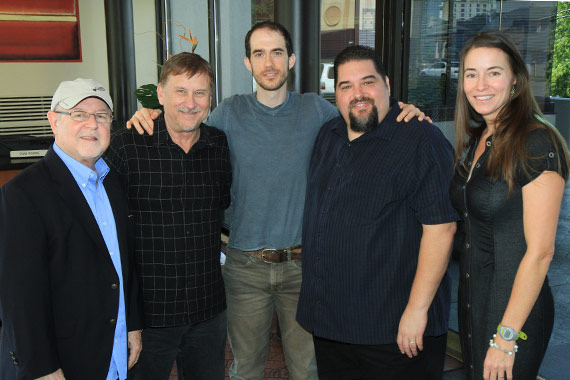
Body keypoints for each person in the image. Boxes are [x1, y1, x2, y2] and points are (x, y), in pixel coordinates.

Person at [127, 21, 426, 380]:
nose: (269, 62)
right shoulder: (227, 113)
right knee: (245, 369)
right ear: (247, 63)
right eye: (259, 53)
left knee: (307, 369)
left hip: (305, 267)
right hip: (244, 267)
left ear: (292, 59)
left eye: (277, 53)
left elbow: (364, 117)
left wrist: (402, 111)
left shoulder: (316, 111)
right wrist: (151, 114)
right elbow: (185, 120)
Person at [296, 45, 458, 380]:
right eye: (346, 86)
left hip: (394, 332)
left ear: (386, 84)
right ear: (335, 93)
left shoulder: (420, 140)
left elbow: (441, 230)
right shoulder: (329, 134)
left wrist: (416, 310)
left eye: (367, 82)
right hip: (333, 326)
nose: (358, 94)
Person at [0, 78, 143, 380]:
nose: (92, 124)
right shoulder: (23, 194)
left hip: (111, 354)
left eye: (101, 116)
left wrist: (132, 324)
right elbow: (18, 297)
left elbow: (123, 265)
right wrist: (43, 369)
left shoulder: (114, 181)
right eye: (78, 114)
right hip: (60, 365)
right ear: (54, 121)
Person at [449, 30, 569, 380]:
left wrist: (505, 338)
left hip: (514, 318)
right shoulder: (477, 139)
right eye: (471, 74)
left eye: (494, 72)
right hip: (473, 303)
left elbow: (541, 252)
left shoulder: (536, 141)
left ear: (515, 79)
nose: (480, 84)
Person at [106, 53, 231, 380]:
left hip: (207, 312)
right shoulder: (126, 146)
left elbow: (222, 206)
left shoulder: (219, 145)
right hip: (148, 318)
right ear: (160, 94)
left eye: (200, 93)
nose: (190, 103)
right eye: (180, 91)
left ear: (210, 98)